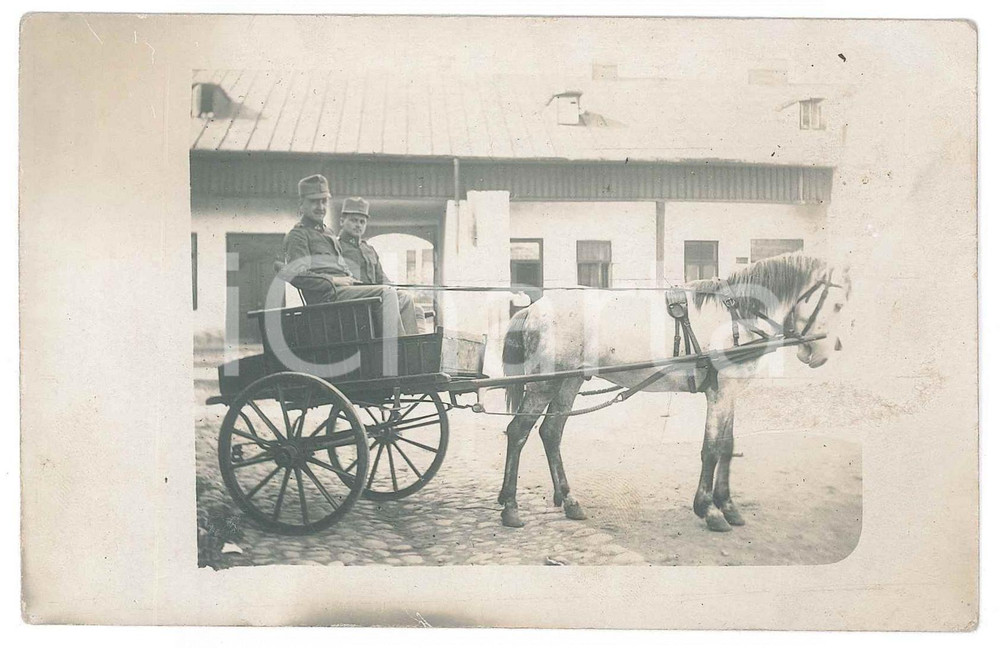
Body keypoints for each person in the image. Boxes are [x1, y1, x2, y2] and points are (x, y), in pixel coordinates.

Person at [281, 174, 417, 336]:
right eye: (314, 201)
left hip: (342, 294)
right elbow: (297, 276)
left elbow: (343, 270)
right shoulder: (298, 235)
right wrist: (334, 280)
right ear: (301, 204)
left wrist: (353, 281)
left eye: (324, 201)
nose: (320, 206)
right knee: (386, 293)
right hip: (326, 299)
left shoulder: (328, 233)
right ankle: (397, 352)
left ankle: (413, 353)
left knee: (404, 298)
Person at [336, 196, 420, 334]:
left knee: (406, 298)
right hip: (357, 302)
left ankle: (411, 347)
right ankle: (398, 346)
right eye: (353, 220)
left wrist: (393, 286)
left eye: (362, 222)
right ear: (341, 221)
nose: (358, 225)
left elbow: (381, 277)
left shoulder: (369, 249)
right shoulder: (337, 247)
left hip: (378, 299)